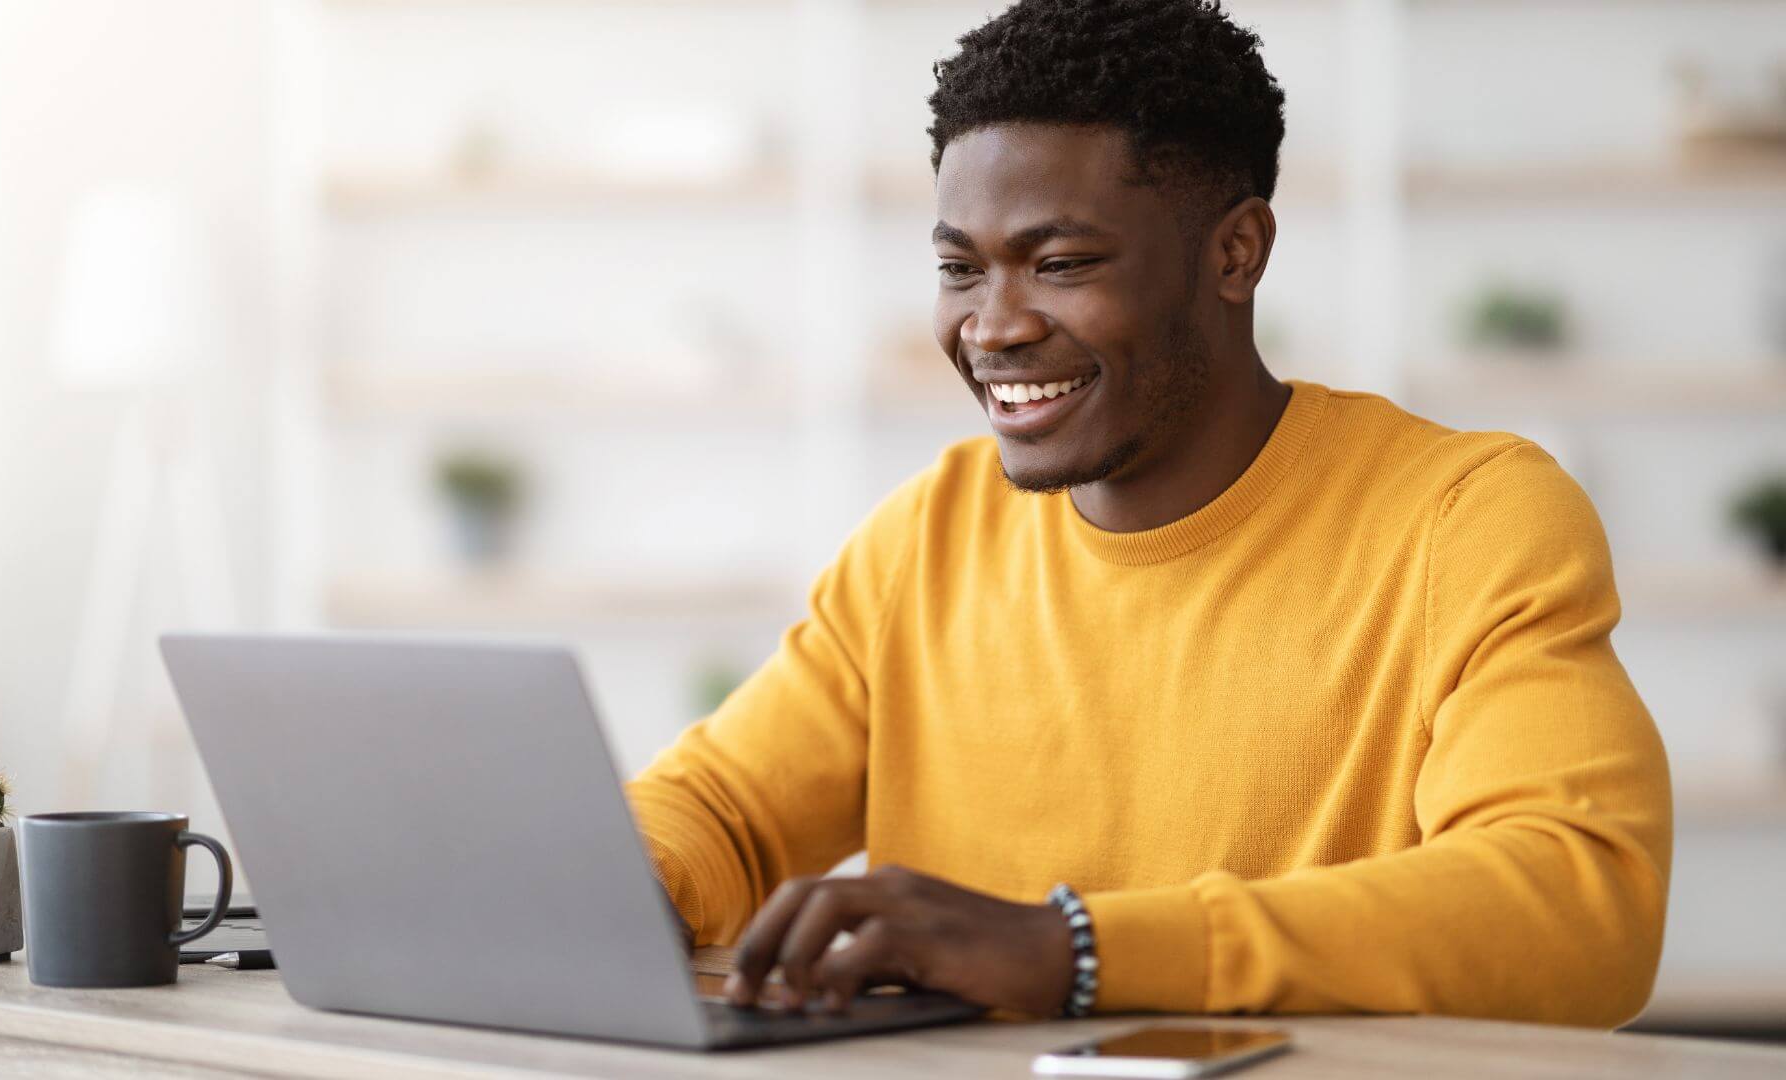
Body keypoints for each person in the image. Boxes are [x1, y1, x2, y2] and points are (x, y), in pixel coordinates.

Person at [625, 0, 1670, 1029]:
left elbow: (1581, 906)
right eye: (959, 269)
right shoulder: (929, 535)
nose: (993, 327)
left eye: (1062, 264)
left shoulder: (1464, 520)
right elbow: (720, 810)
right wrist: (613, 886)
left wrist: (1070, 951)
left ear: (1235, 254)